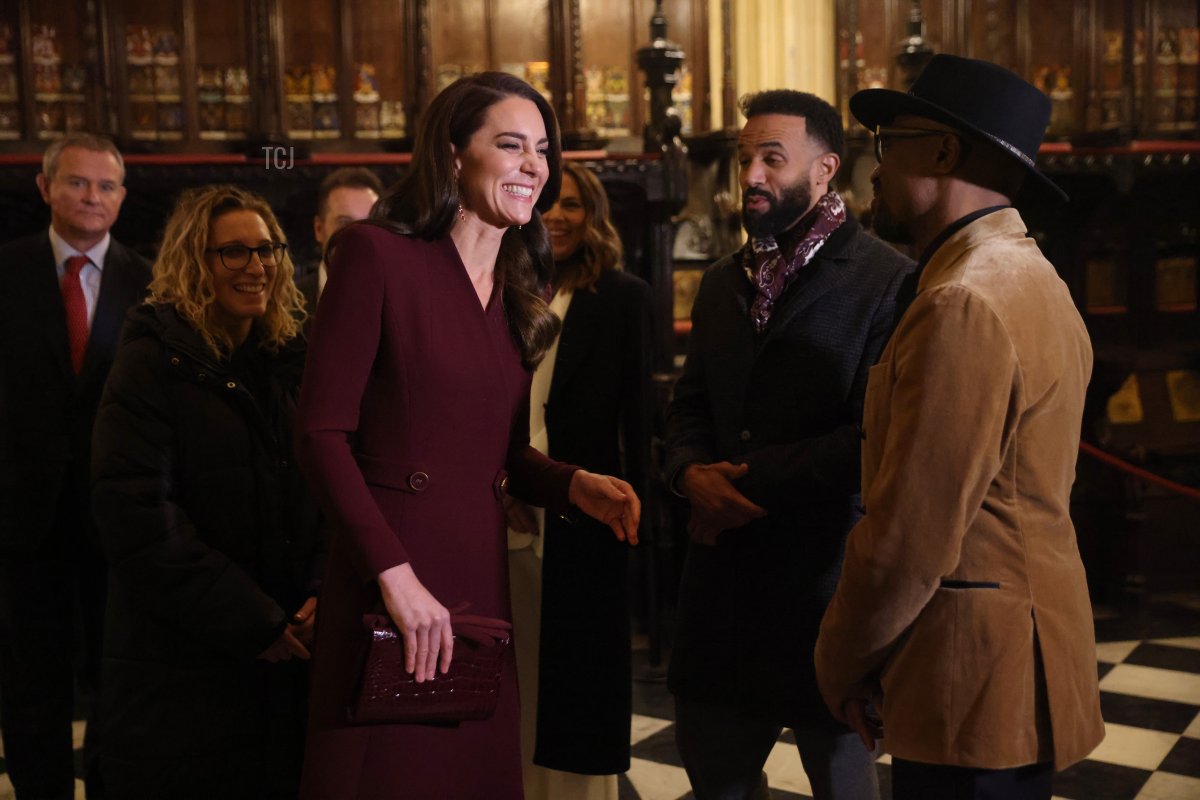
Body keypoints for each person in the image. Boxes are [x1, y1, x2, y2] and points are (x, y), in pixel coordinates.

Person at [295, 71, 641, 800]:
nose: (533, 166)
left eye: (541, 150)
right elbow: (320, 433)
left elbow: (500, 453)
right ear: (454, 155)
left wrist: (571, 485)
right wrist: (394, 577)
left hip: (477, 583)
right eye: (510, 144)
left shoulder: (520, 288)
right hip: (390, 581)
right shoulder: (374, 255)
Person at [814, 55, 1104, 800]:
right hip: (1012, 662)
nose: (872, 169)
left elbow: (911, 534)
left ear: (943, 152)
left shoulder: (965, 302)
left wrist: (838, 660)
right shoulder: (1033, 276)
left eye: (889, 142)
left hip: (973, 676)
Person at [664, 90, 913, 800]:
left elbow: (875, 436)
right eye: (744, 160)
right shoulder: (721, 283)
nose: (750, 176)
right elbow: (688, 408)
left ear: (827, 168)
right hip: (720, 601)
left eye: (772, 158)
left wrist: (738, 485)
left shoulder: (887, 282)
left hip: (824, 598)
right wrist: (687, 475)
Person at [89, 185, 323, 798]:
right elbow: (137, 518)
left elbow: (331, 489)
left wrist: (325, 591)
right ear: (196, 262)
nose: (257, 266)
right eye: (234, 253)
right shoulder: (151, 362)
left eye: (268, 249)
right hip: (183, 668)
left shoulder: (290, 358)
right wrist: (256, 622)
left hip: (288, 654)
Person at [0, 133, 151, 799]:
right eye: (77, 183)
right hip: (18, 520)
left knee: (119, 681)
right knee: (30, 687)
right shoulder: (5, 272)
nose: (92, 197)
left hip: (118, 519)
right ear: (45, 188)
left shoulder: (150, 283)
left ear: (122, 196)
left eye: (106, 186)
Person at [505, 161, 652, 800]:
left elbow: (641, 417)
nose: (559, 217)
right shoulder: (499, 288)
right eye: (547, 203)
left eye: (573, 206)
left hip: (585, 512)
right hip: (503, 502)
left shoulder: (622, 298)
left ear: (593, 218)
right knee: (516, 668)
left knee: (578, 674)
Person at [297, 166, 383, 320]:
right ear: (319, 229)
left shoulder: (402, 304)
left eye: (370, 224)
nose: (360, 236)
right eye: (344, 223)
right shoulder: (286, 305)